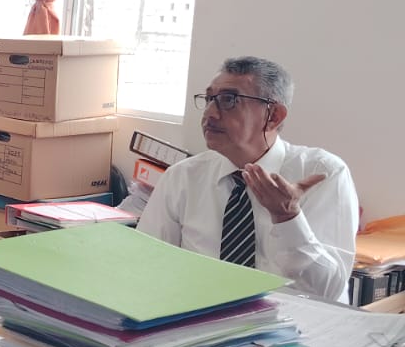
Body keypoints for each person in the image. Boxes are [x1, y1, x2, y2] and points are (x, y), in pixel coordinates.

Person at [138, 56, 357, 301]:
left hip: (295, 321)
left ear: (273, 116)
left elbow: (328, 293)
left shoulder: (324, 173)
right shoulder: (183, 177)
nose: (210, 113)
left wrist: (288, 218)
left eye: (228, 100)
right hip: (200, 318)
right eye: (209, 99)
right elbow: (146, 265)